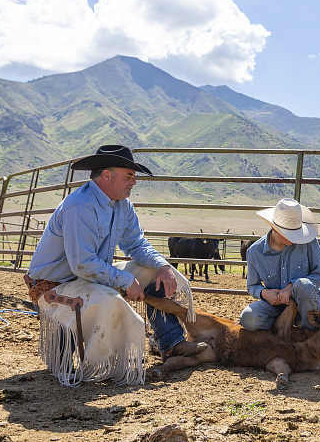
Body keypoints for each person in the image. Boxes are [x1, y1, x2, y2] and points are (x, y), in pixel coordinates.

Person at [26, 145, 205, 384]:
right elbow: (83, 264)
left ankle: (171, 343)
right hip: (56, 283)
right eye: (129, 175)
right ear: (107, 175)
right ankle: (93, 363)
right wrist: (126, 280)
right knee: (110, 300)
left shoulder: (122, 204)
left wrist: (163, 266)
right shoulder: (79, 207)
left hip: (88, 276)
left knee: (156, 273)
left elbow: (136, 244)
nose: (134, 182)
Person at [240, 198, 320, 331]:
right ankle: (283, 330)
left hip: (304, 305)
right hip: (275, 307)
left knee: (303, 285)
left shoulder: (307, 241)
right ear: (274, 229)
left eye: (296, 232)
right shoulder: (255, 252)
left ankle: (310, 331)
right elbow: (252, 286)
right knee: (248, 318)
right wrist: (265, 294)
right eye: (290, 234)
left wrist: (292, 286)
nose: (295, 238)